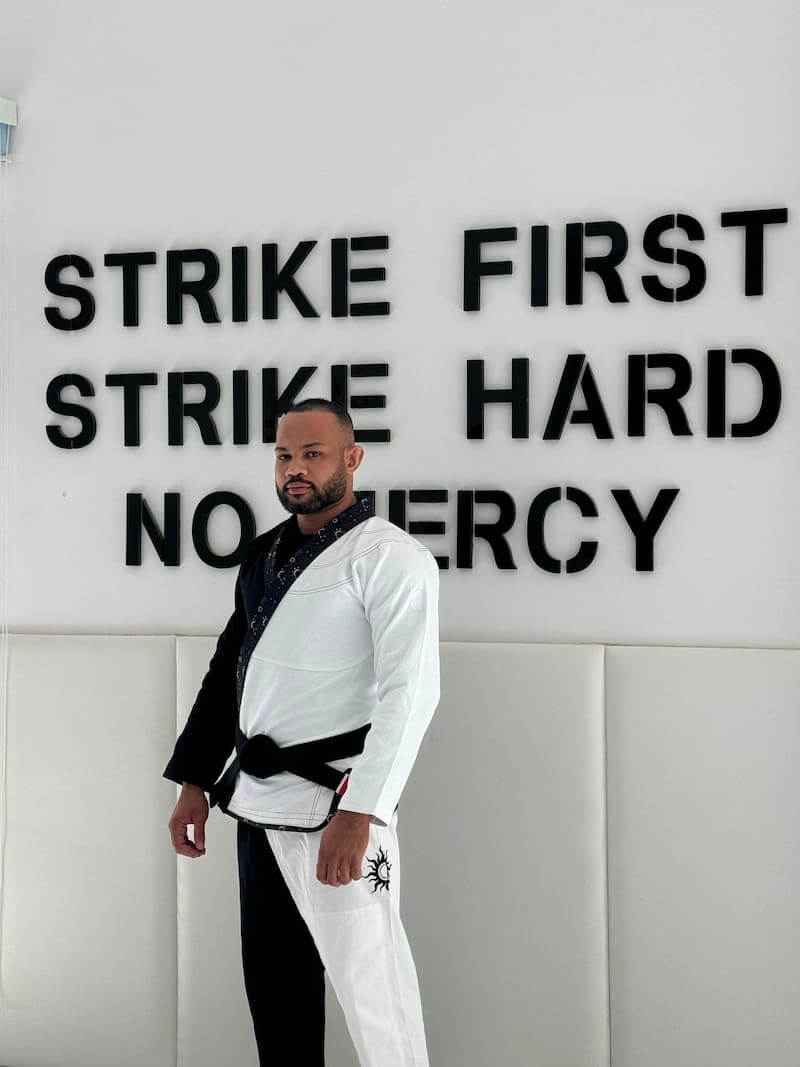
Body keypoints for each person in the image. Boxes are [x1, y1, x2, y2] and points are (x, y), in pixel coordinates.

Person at [163, 397, 441, 1067]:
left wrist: (364, 809)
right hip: (257, 807)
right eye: (285, 454)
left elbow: (413, 691)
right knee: (276, 995)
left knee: (374, 993)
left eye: (312, 453)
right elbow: (231, 670)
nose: (295, 468)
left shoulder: (391, 558)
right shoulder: (266, 554)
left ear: (352, 458)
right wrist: (196, 778)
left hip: (336, 807)